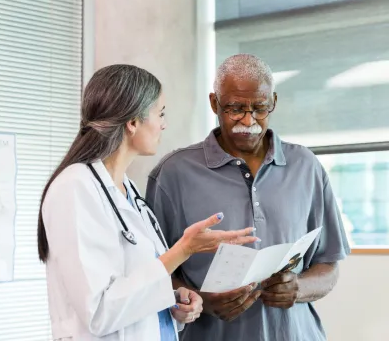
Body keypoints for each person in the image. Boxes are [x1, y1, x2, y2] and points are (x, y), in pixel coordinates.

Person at [36, 64, 257, 341]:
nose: (164, 123)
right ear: (133, 122)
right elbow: (98, 312)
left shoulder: (126, 190)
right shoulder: (75, 187)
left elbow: (132, 288)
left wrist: (173, 301)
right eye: (160, 113)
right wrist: (183, 250)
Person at [146, 54, 351, 341]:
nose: (248, 120)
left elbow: (329, 264)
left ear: (274, 102)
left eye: (260, 108)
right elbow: (152, 272)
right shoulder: (173, 173)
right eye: (235, 108)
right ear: (214, 103)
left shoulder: (306, 166)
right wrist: (202, 300)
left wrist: (298, 288)